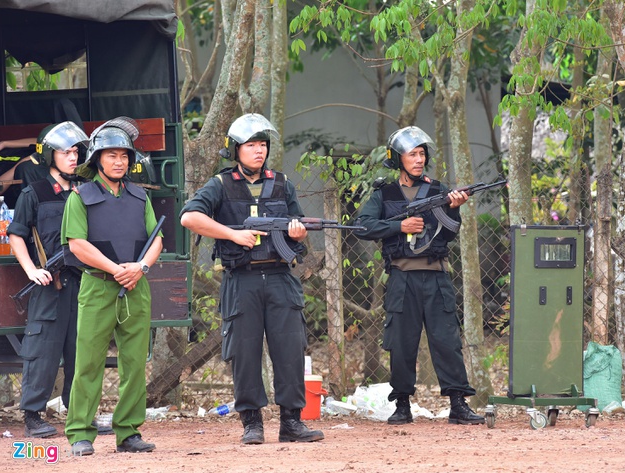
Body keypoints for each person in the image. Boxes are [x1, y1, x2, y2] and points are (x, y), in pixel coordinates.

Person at [180, 113, 324, 445]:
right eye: (251, 145)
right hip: (241, 279)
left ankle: (291, 422)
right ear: (236, 149)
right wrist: (230, 234)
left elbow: (297, 226)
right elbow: (189, 217)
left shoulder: (282, 183)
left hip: (279, 277)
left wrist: (298, 232)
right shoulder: (220, 184)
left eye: (262, 145)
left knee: (289, 349)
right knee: (244, 352)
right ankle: (252, 423)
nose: (258, 151)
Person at [355, 126, 484, 426]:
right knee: (401, 343)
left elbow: (451, 233)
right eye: (412, 154)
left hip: (436, 277)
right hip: (402, 278)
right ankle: (402, 404)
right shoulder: (383, 194)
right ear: (397, 159)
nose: (419, 159)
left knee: (446, 341)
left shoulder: (439, 191)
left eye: (422, 153)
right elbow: (363, 226)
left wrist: (453, 209)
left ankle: (458, 403)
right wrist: (399, 227)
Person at [61, 117, 163, 456]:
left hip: (136, 285)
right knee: (87, 362)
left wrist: (141, 267)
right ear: (97, 159)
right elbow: (77, 244)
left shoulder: (139, 196)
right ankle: (80, 433)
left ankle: (128, 432)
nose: (119, 162)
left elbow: (156, 238)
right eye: (111, 156)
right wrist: (116, 269)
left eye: (124, 156)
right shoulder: (80, 196)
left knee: (134, 363)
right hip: (97, 286)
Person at [6, 122, 89, 438]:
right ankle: (32, 416)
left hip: (83, 283)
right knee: (42, 350)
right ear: (49, 156)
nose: (72, 157)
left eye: (76, 151)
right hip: (49, 284)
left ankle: (81, 413)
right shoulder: (35, 193)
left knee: (82, 350)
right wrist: (31, 269)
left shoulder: (85, 190)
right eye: (65, 152)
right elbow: (17, 235)